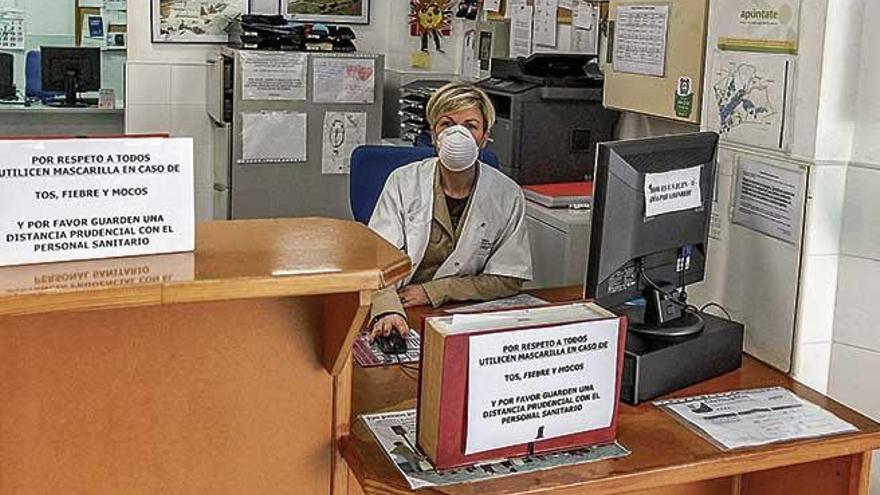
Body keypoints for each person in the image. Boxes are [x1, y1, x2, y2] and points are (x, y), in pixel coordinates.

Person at [368, 82, 532, 339]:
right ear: (434, 135)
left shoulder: (507, 194)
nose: (458, 134)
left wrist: (435, 291)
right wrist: (388, 310)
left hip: (463, 314)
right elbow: (376, 262)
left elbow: (509, 277)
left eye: (470, 126)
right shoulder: (403, 182)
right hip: (401, 307)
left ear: (485, 137)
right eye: (447, 124)